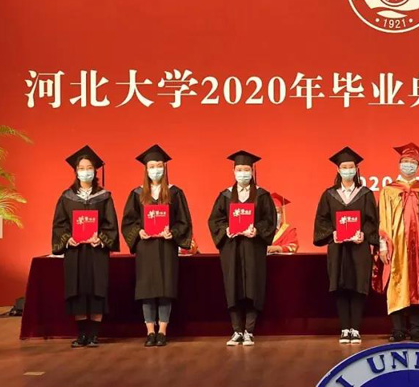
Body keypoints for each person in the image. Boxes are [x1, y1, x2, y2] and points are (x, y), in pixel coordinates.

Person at [121, 144, 193, 347]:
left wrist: (173, 233)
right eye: (152, 166)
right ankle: (150, 331)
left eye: (159, 166)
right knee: (147, 290)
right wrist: (138, 232)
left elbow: (184, 222)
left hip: (166, 247)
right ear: (146, 169)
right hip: (146, 248)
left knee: (165, 289)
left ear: (165, 168)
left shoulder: (175, 193)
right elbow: (128, 222)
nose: (156, 170)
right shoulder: (137, 194)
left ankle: (162, 330)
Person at [51, 146, 119, 348]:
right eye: (81, 168)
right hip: (75, 251)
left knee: (98, 290)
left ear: (95, 171)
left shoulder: (104, 196)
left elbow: (111, 224)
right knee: (78, 290)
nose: (85, 171)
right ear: (76, 171)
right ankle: (81, 335)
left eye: (89, 168)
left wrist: (102, 238)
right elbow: (59, 224)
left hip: (96, 251)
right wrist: (67, 238)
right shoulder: (67, 197)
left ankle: (94, 335)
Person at [208, 150, 277, 346]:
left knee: (253, 287)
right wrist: (226, 229)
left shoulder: (262, 195)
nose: (243, 173)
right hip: (232, 248)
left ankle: (249, 331)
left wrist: (257, 230)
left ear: (252, 171)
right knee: (234, 287)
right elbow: (215, 220)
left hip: (253, 248)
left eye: (246, 170)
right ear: (233, 171)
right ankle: (237, 330)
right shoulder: (225, 195)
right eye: (239, 170)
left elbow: (270, 220)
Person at [375, 142, 419, 342]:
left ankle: (416, 329)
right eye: (405, 162)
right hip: (397, 248)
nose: (409, 165)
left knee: (418, 285)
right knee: (397, 283)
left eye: (413, 162)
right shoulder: (388, 191)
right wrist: (383, 246)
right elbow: (383, 220)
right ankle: (397, 329)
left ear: (418, 167)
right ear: (399, 164)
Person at [313, 147, 379, 344]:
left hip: (359, 248)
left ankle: (355, 329)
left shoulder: (365, 194)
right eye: (344, 167)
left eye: (351, 167)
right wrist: (332, 234)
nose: (348, 170)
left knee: (358, 286)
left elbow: (373, 221)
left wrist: (364, 234)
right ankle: (344, 329)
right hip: (338, 248)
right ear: (338, 170)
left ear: (356, 169)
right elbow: (322, 221)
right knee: (340, 286)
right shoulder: (329, 195)